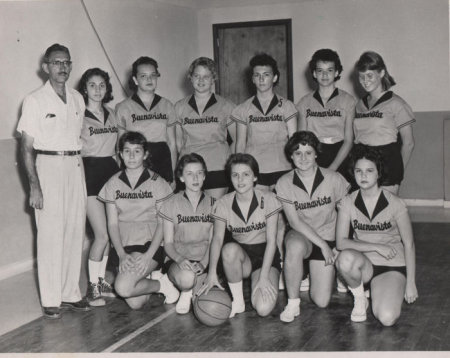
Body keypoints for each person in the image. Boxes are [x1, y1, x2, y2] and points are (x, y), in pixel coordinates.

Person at [17, 43, 90, 319]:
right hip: (47, 166)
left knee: (74, 230)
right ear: (45, 66)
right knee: (50, 234)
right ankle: (51, 299)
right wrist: (34, 185)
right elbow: (25, 148)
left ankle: (70, 293)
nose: (62, 67)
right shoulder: (34, 100)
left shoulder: (77, 99)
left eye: (66, 62)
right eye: (56, 62)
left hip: (74, 164)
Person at [335, 145, 418, 325]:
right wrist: (375, 246)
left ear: (378, 173)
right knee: (344, 258)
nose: (363, 176)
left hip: (391, 265)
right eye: (359, 171)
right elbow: (341, 242)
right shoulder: (347, 202)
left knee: (387, 318)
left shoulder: (396, 204)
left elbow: (409, 244)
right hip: (364, 264)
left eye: (369, 171)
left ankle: (378, 289)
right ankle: (360, 298)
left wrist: (411, 282)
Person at [97, 131, 179, 310]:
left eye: (137, 151)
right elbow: (112, 223)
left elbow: (163, 223)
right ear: (120, 154)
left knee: (123, 288)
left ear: (145, 154)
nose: (132, 156)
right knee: (136, 303)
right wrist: (120, 254)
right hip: (124, 245)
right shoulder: (113, 183)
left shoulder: (157, 182)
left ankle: (158, 279)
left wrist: (149, 254)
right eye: (127, 151)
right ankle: (157, 281)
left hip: (150, 243)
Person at [275, 131, 349, 323]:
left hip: (329, 236)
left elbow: (346, 215)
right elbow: (294, 222)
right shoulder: (284, 182)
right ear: (290, 156)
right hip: (302, 236)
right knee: (294, 246)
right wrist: (323, 246)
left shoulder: (334, 178)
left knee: (321, 301)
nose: (303, 158)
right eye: (298, 153)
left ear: (316, 154)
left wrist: (339, 246)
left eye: (308, 152)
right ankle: (292, 303)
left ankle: (310, 272)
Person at [198, 153, 282, 319]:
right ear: (230, 178)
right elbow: (217, 239)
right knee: (228, 250)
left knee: (263, 309)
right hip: (242, 258)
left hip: (265, 255)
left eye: (246, 174)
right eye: (235, 175)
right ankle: (238, 302)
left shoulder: (269, 199)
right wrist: (212, 272)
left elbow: (272, 241)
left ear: (255, 177)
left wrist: (264, 277)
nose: (240, 180)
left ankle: (269, 277)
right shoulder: (223, 203)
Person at [78, 68, 120, 306]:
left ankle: (101, 281)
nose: (97, 89)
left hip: (110, 175)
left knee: (110, 237)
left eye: (102, 84)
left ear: (107, 88)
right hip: (90, 175)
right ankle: (92, 289)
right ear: (85, 88)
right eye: (92, 85)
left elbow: (116, 150)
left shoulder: (112, 114)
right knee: (101, 235)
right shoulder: (79, 116)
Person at [233, 53, 297, 191]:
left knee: (281, 211)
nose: (261, 79)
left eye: (266, 75)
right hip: (254, 168)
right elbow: (240, 143)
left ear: (274, 78)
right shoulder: (243, 108)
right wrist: (239, 169)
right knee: (260, 210)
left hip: (282, 166)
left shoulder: (287, 106)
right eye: (257, 75)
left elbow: (294, 140)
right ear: (252, 79)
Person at [158, 153, 214, 314]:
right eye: (189, 174)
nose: (195, 178)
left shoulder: (215, 205)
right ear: (181, 178)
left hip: (204, 261)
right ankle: (183, 288)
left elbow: (214, 242)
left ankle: (184, 288)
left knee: (205, 303)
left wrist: (204, 263)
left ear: (204, 176)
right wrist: (180, 259)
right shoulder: (171, 203)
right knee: (188, 279)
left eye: (199, 173)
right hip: (179, 259)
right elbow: (167, 243)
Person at [354, 51, 415, 194]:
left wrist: (397, 172)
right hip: (362, 164)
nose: (365, 81)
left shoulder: (396, 103)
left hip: (387, 164)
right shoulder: (359, 105)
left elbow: (409, 143)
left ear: (381, 73)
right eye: (361, 76)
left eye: (370, 75)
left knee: (384, 213)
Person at [175, 57, 236, 199]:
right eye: (197, 76)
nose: (201, 81)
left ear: (213, 79)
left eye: (206, 76)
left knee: (215, 214)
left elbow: (237, 140)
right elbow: (178, 143)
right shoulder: (179, 107)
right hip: (189, 169)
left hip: (218, 167)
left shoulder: (227, 106)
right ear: (190, 77)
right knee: (190, 215)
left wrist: (228, 163)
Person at [116, 56, 177, 184]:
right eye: (143, 76)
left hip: (162, 162)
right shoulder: (123, 107)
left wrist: (174, 174)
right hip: (136, 161)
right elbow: (119, 146)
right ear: (135, 80)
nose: (149, 79)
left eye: (153, 75)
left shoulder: (167, 105)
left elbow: (172, 144)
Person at [297, 49, 355, 174]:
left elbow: (349, 140)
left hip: (341, 156)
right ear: (314, 73)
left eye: (329, 70)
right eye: (320, 71)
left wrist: (333, 168)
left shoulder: (348, 101)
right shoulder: (304, 102)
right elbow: (302, 139)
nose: (324, 75)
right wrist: (314, 165)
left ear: (336, 72)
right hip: (313, 156)